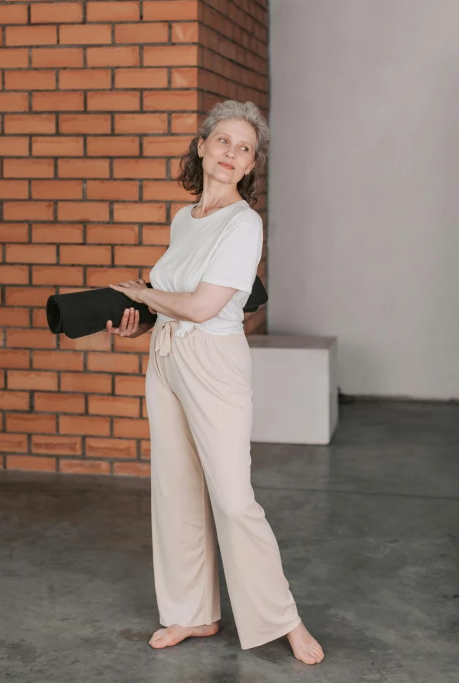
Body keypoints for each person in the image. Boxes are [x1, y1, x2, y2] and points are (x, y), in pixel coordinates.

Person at [105, 100, 324, 665]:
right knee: (176, 489)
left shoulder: (244, 223)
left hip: (213, 362)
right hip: (166, 358)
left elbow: (203, 306)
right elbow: (173, 299)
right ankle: (191, 613)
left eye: (244, 148)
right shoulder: (185, 218)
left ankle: (284, 620)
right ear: (201, 146)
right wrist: (142, 318)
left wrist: (144, 294)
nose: (231, 153)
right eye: (223, 141)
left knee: (232, 498)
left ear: (251, 167)